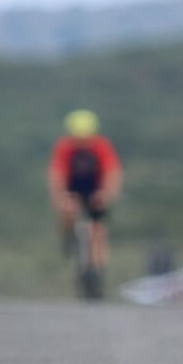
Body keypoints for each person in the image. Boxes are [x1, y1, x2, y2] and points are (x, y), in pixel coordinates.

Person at [47, 109, 123, 273]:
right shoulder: (64, 147)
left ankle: (97, 268)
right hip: (72, 187)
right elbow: (57, 175)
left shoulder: (102, 146)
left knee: (98, 230)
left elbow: (112, 173)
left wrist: (107, 194)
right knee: (68, 209)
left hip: (95, 189)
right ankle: (68, 237)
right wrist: (60, 197)